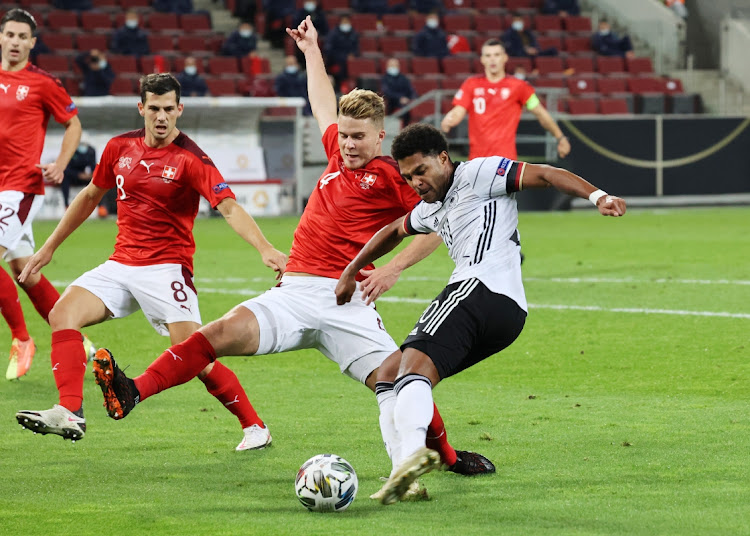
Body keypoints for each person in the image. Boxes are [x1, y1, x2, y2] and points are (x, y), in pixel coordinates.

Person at [90, 17, 495, 493]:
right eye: (343, 135)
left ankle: (445, 457)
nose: (347, 144)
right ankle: (133, 390)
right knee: (214, 334)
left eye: (358, 137)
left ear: (379, 137)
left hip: (347, 304)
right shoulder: (334, 152)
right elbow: (321, 102)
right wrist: (311, 51)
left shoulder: (391, 176)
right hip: (294, 293)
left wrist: (391, 266)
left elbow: (437, 224)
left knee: (401, 379)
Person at [335, 122, 627, 504]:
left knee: (410, 370)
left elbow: (546, 173)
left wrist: (597, 196)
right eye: (408, 177)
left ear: (442, 158)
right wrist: (350, 270)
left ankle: (409, 462)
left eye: (420, 171)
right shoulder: (430, 208)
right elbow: (393, 230)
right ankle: (406, 469)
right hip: (505, 314)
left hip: (480, 289)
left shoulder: (478, 173)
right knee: (392, 374)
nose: (415, 182)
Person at [15, 73, 288, 447]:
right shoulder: (118, 148)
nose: (161, 117)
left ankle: (254, 426)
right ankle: (70, 412)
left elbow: (228, 208)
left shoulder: (191, 158)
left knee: (195, 356)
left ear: (180, 110)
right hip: (120, 264)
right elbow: (91, 196)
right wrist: (48, 248)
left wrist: (265, 248)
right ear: (141, 108)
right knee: (63, 313)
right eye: (154, 108)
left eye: (169, 109)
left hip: (166, 269)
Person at [0, 9, 85, 381]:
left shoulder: (42, 83)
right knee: (24, 271)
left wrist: (62, 163)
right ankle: (75, 339)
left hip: (18, 188)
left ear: (32, 43)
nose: (16, 42)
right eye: (10, 35)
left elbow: (73, 123)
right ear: (1, 38)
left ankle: (22, 339)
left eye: (23, 36)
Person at [441, 39, 571, 161]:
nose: (492, 59)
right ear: (482, 59)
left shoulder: (519, 86)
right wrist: (449, 119)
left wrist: (560, 137)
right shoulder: (471, 84)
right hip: (477, 162)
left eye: (497, 55)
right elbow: (458, 110)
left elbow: (540, 113)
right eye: (488, 55)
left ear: (505, 57)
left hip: (505, 162)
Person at [323, 15, 359, 86]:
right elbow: (328, 50)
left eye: (347, 22)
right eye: (344, 22)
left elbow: (356, 49)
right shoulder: (333, 34)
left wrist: (353, 54)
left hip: (348, 61)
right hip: (335, 61)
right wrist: (343, 57)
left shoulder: (354, 34)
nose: (346, 24)